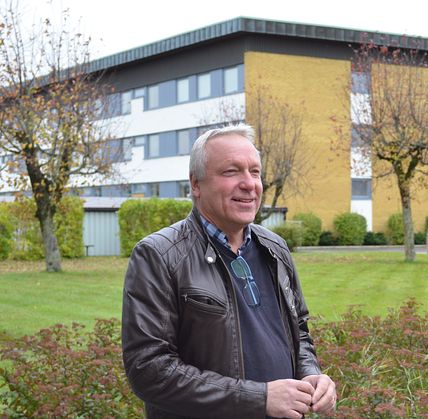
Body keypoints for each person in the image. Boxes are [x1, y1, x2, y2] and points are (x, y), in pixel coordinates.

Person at [122, 124, 336, 418]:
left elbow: (297, 331)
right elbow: (149, 370)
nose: (249, 184)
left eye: (255, 172)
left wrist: (311, 374)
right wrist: (258, 399)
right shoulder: (159, 255)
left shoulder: (275, 248)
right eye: (231, 171)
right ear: (195, 184)